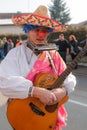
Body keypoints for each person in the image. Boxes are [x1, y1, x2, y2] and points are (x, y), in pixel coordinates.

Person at [0, 5, 76, 130]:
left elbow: (69, 77)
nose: (41, 34)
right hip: (22, 115)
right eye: (36, 30)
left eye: (45, 31)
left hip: (47, 117)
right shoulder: (16, 54)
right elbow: (3, 81)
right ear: (28, 30)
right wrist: (35, 91)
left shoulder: (53, 55)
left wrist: (63, 91)